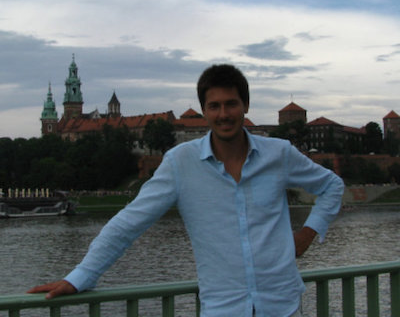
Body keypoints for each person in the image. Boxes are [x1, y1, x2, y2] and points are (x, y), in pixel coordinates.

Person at [28, 64, 344, 317]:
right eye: (215, 106)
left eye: (231, 104)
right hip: (223, 310)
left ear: (245, 106)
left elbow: (332, 185)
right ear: (204, 111)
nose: (224, 114)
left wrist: (308, 232)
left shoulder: (279, 153)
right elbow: (129, 222)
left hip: (283, 306)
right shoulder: (181, 163)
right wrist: (81, 276)